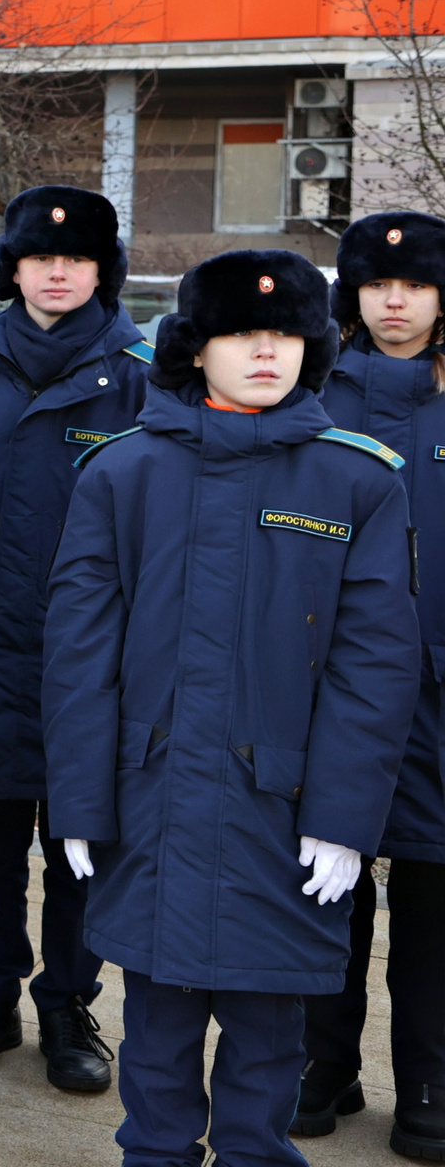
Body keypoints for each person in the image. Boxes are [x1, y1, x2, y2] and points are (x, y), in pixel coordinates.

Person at [43, 248, 418, 1167]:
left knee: (266, 1059)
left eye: (287, 335)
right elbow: (81, 653)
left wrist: (343, 821)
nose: (266, 353)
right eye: (242, 336)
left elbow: (374, 671)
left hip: (281, 821)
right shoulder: (125, 473)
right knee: (157, 1051)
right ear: (194, 349)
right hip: (153, 811)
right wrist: (82, 802)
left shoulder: (359, 480)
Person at [0, 186, 144, 1094]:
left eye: (78, 258)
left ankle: (67, 1005)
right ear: (10, 267)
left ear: (102, 271)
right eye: (39, 257)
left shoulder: (145, 376)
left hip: (99, 661)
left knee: (80, 845)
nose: (58, 271)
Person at [292, 212, 445, 1150]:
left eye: (418, 283)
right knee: (322, 886)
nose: (396, 300)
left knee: (433, 894)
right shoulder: (312, 389)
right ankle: (324, 1061)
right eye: (379, 284)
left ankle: (428, 1077)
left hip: (439, 694)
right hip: (327, 686)